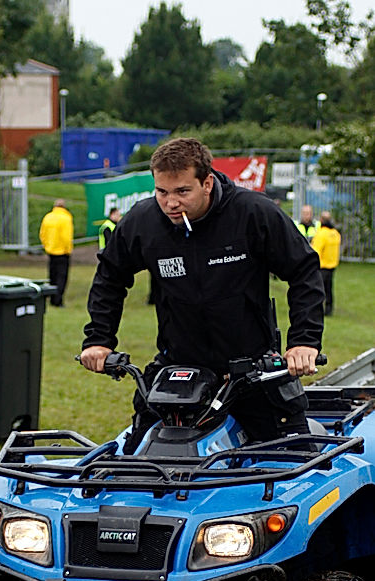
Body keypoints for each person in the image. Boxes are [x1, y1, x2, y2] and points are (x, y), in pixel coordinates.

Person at [80, 137, 324, 451]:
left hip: (252, 370)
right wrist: (99, 339)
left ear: (207, 182)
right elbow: (109, 276)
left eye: (182, 191)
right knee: (137, 461)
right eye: (161, 192)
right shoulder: (144, 221)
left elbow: (303, 270)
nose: (170, 203)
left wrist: (304, 341)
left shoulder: (252, 213)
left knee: (296, 463)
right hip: (177, 368)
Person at [39, 198, 74, 307]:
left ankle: (52, 297)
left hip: (51, 250)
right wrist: (68, 249)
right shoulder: (66, 218)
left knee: (52, 276)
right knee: (61, 277)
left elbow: (42, 234)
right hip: (62, 252)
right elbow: (66, 236)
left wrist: (46, 246)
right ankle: (58, 301)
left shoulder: (48, 217)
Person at [312, 210, 341, 316]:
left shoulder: (321, 234)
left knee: (318, 289)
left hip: (322, 265)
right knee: (329, 288)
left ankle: (317, 309)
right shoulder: (335, 233)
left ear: (321, 220)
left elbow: (316, 250)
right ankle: (329, 308)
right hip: (332, 265)